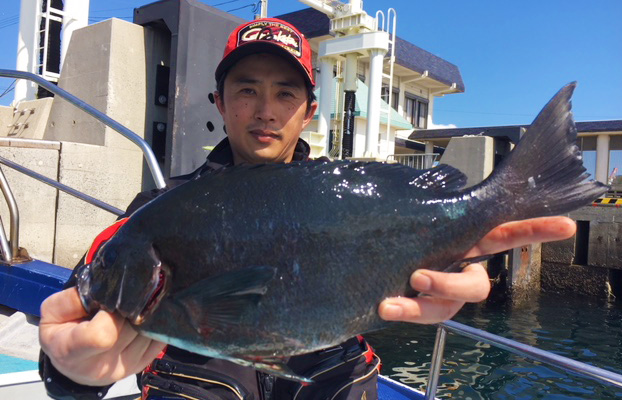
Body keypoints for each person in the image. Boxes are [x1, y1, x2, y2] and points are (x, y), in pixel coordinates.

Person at [38, 17, 578, 400]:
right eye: (247, 90)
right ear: (220, 103)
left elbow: (392, 249)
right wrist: (70, 375)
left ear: (310, 110)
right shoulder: (152, 215)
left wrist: (454, 253)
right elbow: (74, 325)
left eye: (286, 94)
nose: (266, 112)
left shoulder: (344, 196)